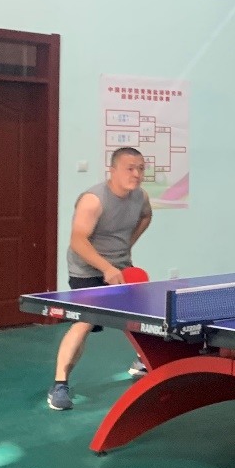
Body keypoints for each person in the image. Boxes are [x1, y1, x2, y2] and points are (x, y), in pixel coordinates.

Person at [47, 147, 153, 411]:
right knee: (85, 322)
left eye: (141, 168)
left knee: (145, 316)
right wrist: (106, 267)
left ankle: (143, 361)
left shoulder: (140, 197)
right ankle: (59, 385)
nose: (137, 174)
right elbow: (77, 241)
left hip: (120, 268)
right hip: (86, 271)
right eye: (130, 168)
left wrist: (126, 246)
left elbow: (146, 216)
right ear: (113, 170)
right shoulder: (93, 200)